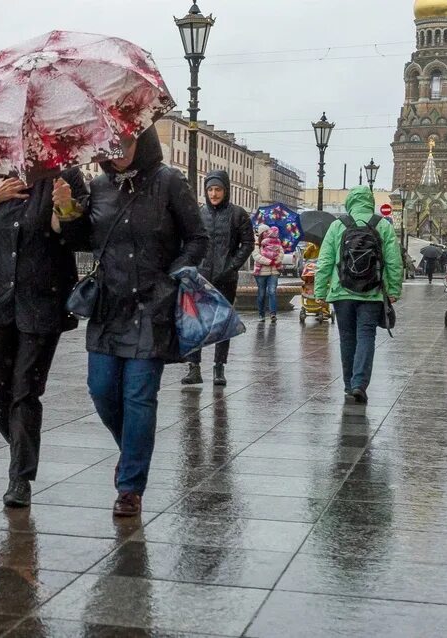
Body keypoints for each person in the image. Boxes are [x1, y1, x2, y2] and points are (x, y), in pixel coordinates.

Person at [52, 127, 208, 517]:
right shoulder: (100, 186)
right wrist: (67, 210)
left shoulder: (170, 182)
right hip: (109, 305)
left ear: (144, 142)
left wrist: (174, 276)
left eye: (126, 142)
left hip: (152, 307)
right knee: (101, 390)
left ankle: (130, 487)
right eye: (111, 143)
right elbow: (82, 240)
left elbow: (198, 238)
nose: (118, 150)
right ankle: (133, 451)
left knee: (139, 396)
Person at [0, 168, 88, 508]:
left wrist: (66, 210)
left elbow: (83, 239)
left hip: (42, 302)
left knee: (25, 391)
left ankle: (20, 478)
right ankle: (22, 450)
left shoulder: (65, 178)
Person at [314, 187, 403, 405]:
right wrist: (393, 290)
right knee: (366, 336)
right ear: (370, 202)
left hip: (341, 292)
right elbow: (393, 260)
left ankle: (348, 384)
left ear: (351, 202)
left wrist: (320, 291)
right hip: (372, 293)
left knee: (346, 338)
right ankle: (359, 384)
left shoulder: (338, 225)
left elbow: (324, 261)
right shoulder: (382, 225)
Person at [182, 170, 255, 386]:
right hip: (199, 277)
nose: (214, 194)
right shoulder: (198, 213)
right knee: (195, 322)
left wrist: (232, 266)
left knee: (222, 323)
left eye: (218, 189)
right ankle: (194, 367)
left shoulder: (237, 214)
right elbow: (188, 240)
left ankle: (219, 368)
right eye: (210, 189)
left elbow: (248, 243)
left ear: (226, 190)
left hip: (225, 278)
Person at [253, 224, 284, 323]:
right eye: (265, 231)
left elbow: (281, 253)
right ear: (261, 233)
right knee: (261, 294)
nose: (267, 233)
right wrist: (269, 261)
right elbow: (256, 256)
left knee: (272, 292)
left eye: (268, 231)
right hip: (261, 273)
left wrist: (276, 261)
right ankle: (261, 314)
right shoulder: (257, 243)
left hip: (274, 271)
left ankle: (273, 314)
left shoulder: (276, 242)